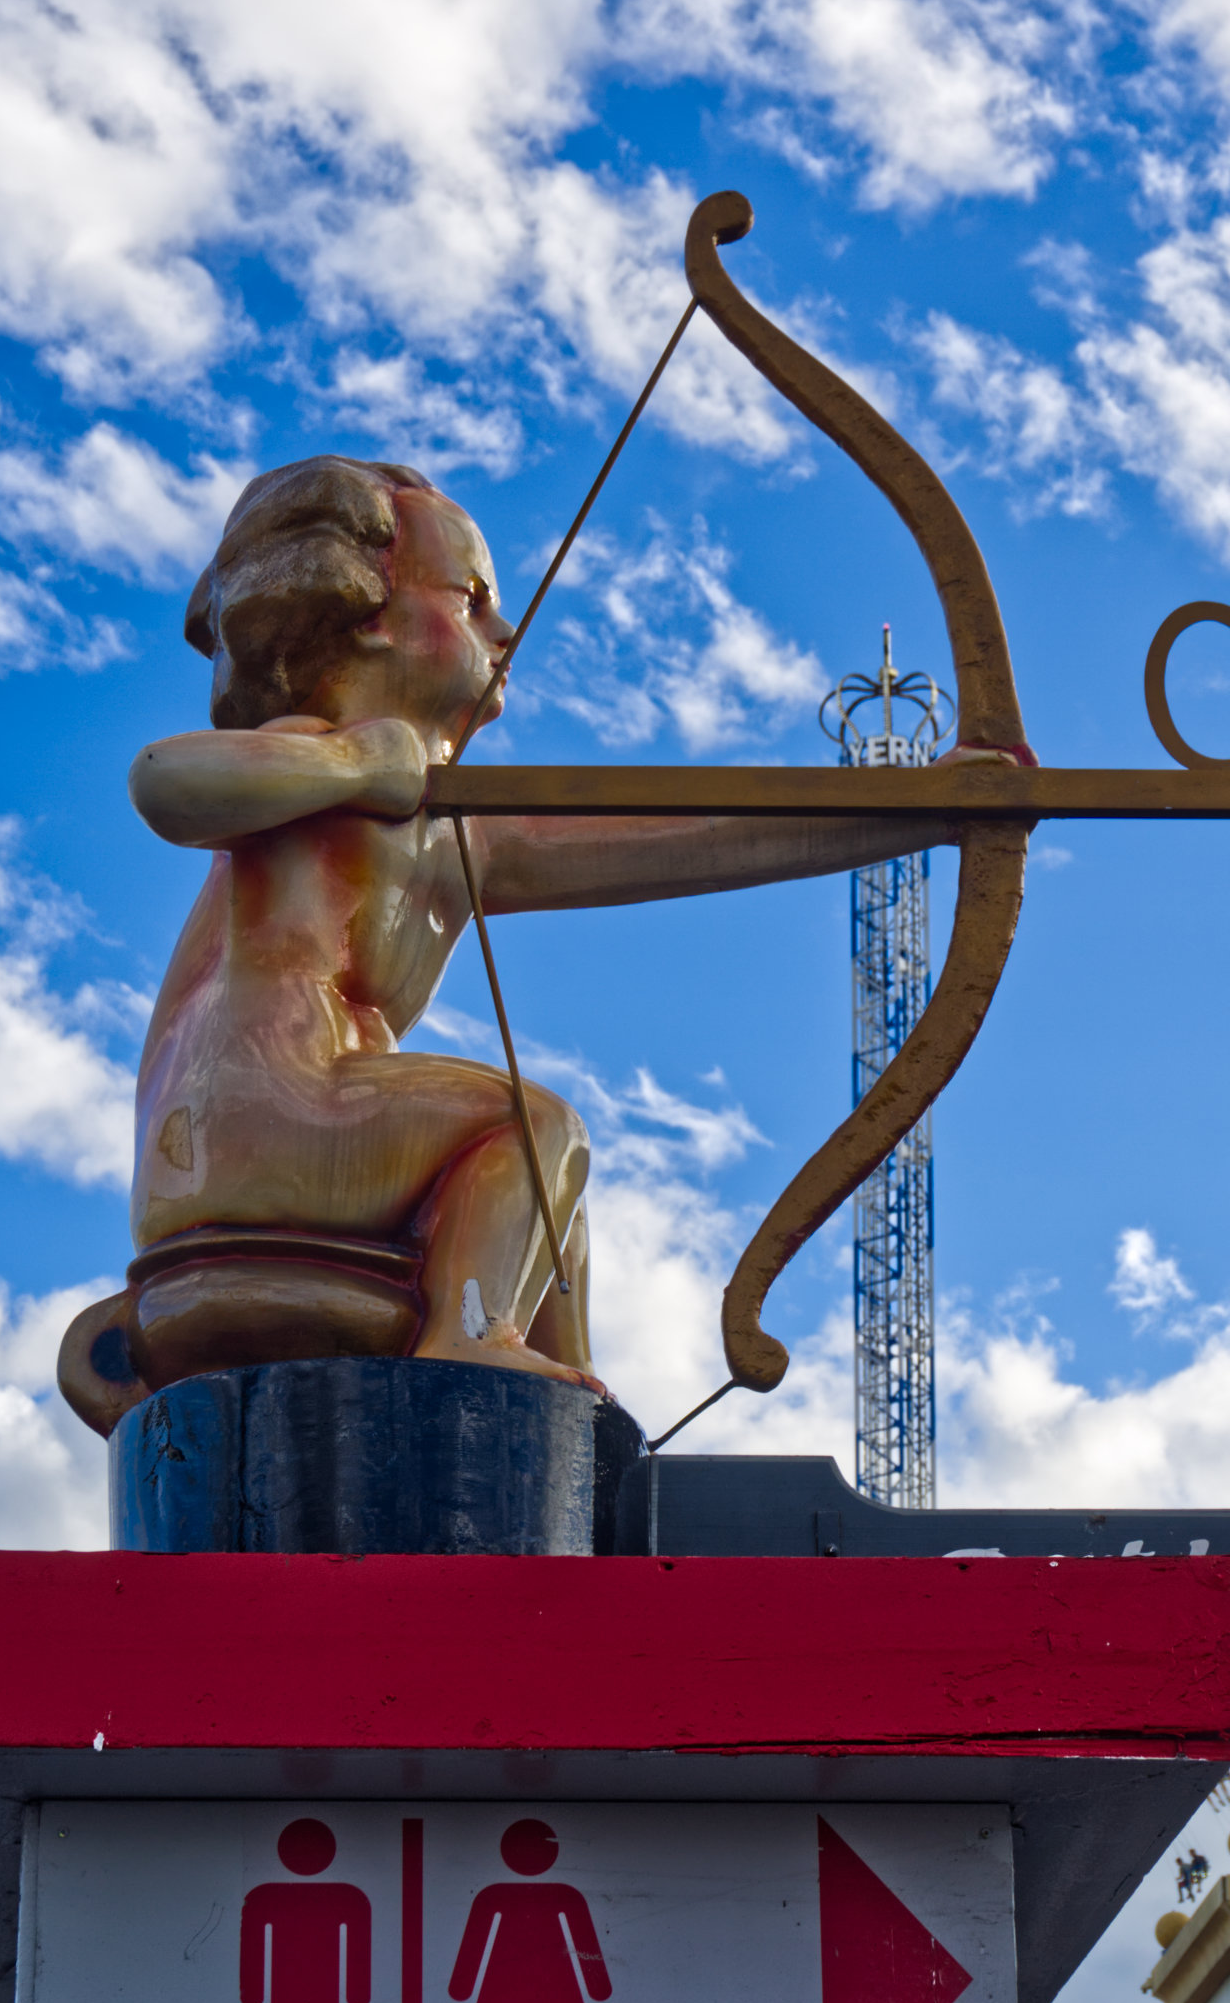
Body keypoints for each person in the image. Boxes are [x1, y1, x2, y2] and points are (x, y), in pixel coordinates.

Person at [119, 456, 998, 1392]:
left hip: (318, 1119)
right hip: (240, 1123)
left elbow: (689, 837)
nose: (504, 632)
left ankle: (563, 1391)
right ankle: (469, 1337)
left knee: (549, 1204)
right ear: (368, 620)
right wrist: (353, 768)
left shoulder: (464, 834)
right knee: (534, 1128)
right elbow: (168, 783)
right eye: (471, 601)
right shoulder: (306, 765)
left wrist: (934, 809)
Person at [446, 1819, 608, 2003]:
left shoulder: (491, 1896)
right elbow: (590, 1956)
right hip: (557, 1984)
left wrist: (462, 1988)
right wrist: (598, 1988)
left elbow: (469, 1957)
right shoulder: (567, 1895)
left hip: (502, 1984)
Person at [240, 1818, 371, 2003]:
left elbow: (253, 1946)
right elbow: (358, 1948)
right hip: (317, 1988)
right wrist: (357, 1996)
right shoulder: (349, 1896)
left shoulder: (263, 1895)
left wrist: (253, 1996)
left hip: (295, 1988)